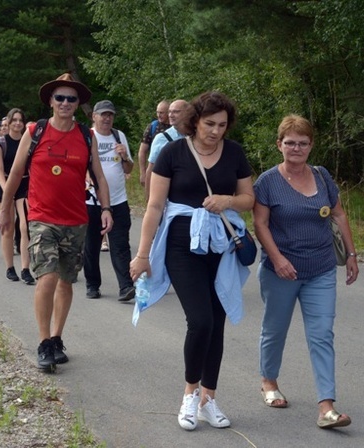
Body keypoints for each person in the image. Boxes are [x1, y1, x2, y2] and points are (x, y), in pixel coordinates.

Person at [129, 91, 254, 431]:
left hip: (221, 246)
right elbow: (154, 207)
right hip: (181, 246)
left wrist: (228, 200)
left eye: (222, 125)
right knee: (200, 321)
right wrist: (142, 254)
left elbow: (248, 198)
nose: (215, 131)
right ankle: (189, 395)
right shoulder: (172, 152)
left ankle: (208, 399)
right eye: (209, 123)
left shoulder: (236, 153)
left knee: (217, 321)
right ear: (195, 120)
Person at [0, 73, 113, 371]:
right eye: (59, 98)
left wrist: (106, 208)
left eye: (70, 99)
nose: (64, 102)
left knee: (66, 280)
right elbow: (16, 172)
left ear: (77, 104)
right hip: (41, 217)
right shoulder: (36, 131)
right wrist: (5, 207)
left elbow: (98, 176)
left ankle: (58, 337)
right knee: (46, 277)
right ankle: (44, 341)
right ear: (50, 101)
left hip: (75, 219)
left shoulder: (86, 136)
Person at [252, 114, 358, 429]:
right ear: (279, 145)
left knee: (322, 334)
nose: (296, 148)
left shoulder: (322, 176)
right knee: (275, 330)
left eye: (302, 143)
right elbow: (260, 223)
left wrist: (351, 254)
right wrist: (278, 258)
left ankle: (327, 406)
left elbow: (338, 214)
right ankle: (269, 382)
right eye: (290, 143)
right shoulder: (267, 181)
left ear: (311, 145)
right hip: (280, 271)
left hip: (322, 269)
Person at [83, 100, 136, 301]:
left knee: (121, 244)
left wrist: (124, 157)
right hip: (92, 202)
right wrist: (86, 177)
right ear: (94, 116)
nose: (107, 118)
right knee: (92, 245)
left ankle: (125, 287)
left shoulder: (118, 135)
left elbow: (128, 169)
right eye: (103, 114)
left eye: (110, 115)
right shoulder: (87, 136)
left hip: (118, 201)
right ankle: (92, 284)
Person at [0, 108, 35, 284]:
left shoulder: (29, 142)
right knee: (8, 227)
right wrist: (7, 191)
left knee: (25, 226)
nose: (18, 123)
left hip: (24, 185)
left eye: (20, 120)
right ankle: (10, 267)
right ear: (8, 122)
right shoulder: (0, 144)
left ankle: (25, 268)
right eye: (14, 120)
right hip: (5, 185)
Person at [144, 99, 189, 202]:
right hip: (169, 198)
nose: (171, 115)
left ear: (187, 114)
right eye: (169, 112)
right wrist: (149, 201)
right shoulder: (162, 138)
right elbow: (150, 170)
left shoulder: (196, 136)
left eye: (176, 112)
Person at [137, 100, 170, 187]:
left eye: (162, 113)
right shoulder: (153, 126)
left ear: (169, 112)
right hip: (155, 169)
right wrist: (143, 173)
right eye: (157, 112)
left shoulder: (177, 127)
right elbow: (142, 151)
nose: (158, 115)